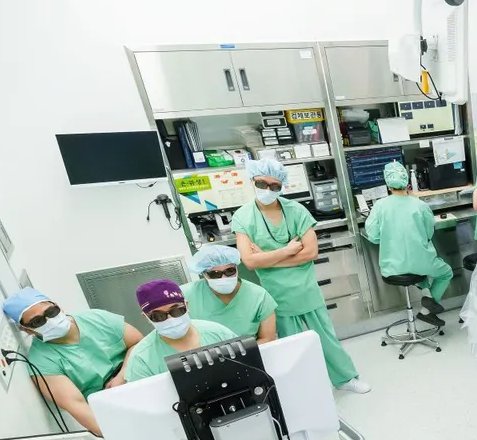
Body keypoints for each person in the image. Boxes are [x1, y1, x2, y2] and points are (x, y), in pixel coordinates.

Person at [231, 158, 370, 393]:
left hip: (306, 289)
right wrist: (287, 251)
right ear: (253, 181)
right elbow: (250, 262)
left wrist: (269, 258)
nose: (268, 190)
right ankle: (306, 390)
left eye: (274, 186)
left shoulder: (296, 210)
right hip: (277, 295)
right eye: (262, 184)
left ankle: (345, 379)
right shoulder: (243, 217)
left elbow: (311, 252)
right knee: (292, 346)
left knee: (325, 338)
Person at [2, 288, 143, 436]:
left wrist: (122, 376)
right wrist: (121, 435)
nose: (50, 321)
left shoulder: (97, 318)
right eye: (37, 321)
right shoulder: (42, 363)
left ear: (58, 306)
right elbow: (78, 406)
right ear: (26, 330)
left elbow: (139, 343)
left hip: (137, 375)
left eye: (51, 312)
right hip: (110, 406)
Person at [365, 161, 453, 327]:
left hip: (392, 267)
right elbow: (428, 233)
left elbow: (373, 236)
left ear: (388, 185)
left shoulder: (379, 206)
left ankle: (426, 293)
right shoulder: (420, 205)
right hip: (422, 263)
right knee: (445, 273)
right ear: (407, 183)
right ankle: (427, 309)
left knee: (415, 271)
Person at [124, 279, 238, 382]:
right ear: (147, 317)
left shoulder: (218, 334)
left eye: (176, 311)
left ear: (186, 306)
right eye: (158, 316)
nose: (170, 319)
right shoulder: (142, 359)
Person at [181, 245, 278, 343]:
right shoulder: (185, 295)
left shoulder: (259, 296)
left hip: (250, 353)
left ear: (237, 268)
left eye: (230, 271)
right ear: (204, 274)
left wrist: (244, 354)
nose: (223, 278)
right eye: (215, 274)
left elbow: (267, 338)